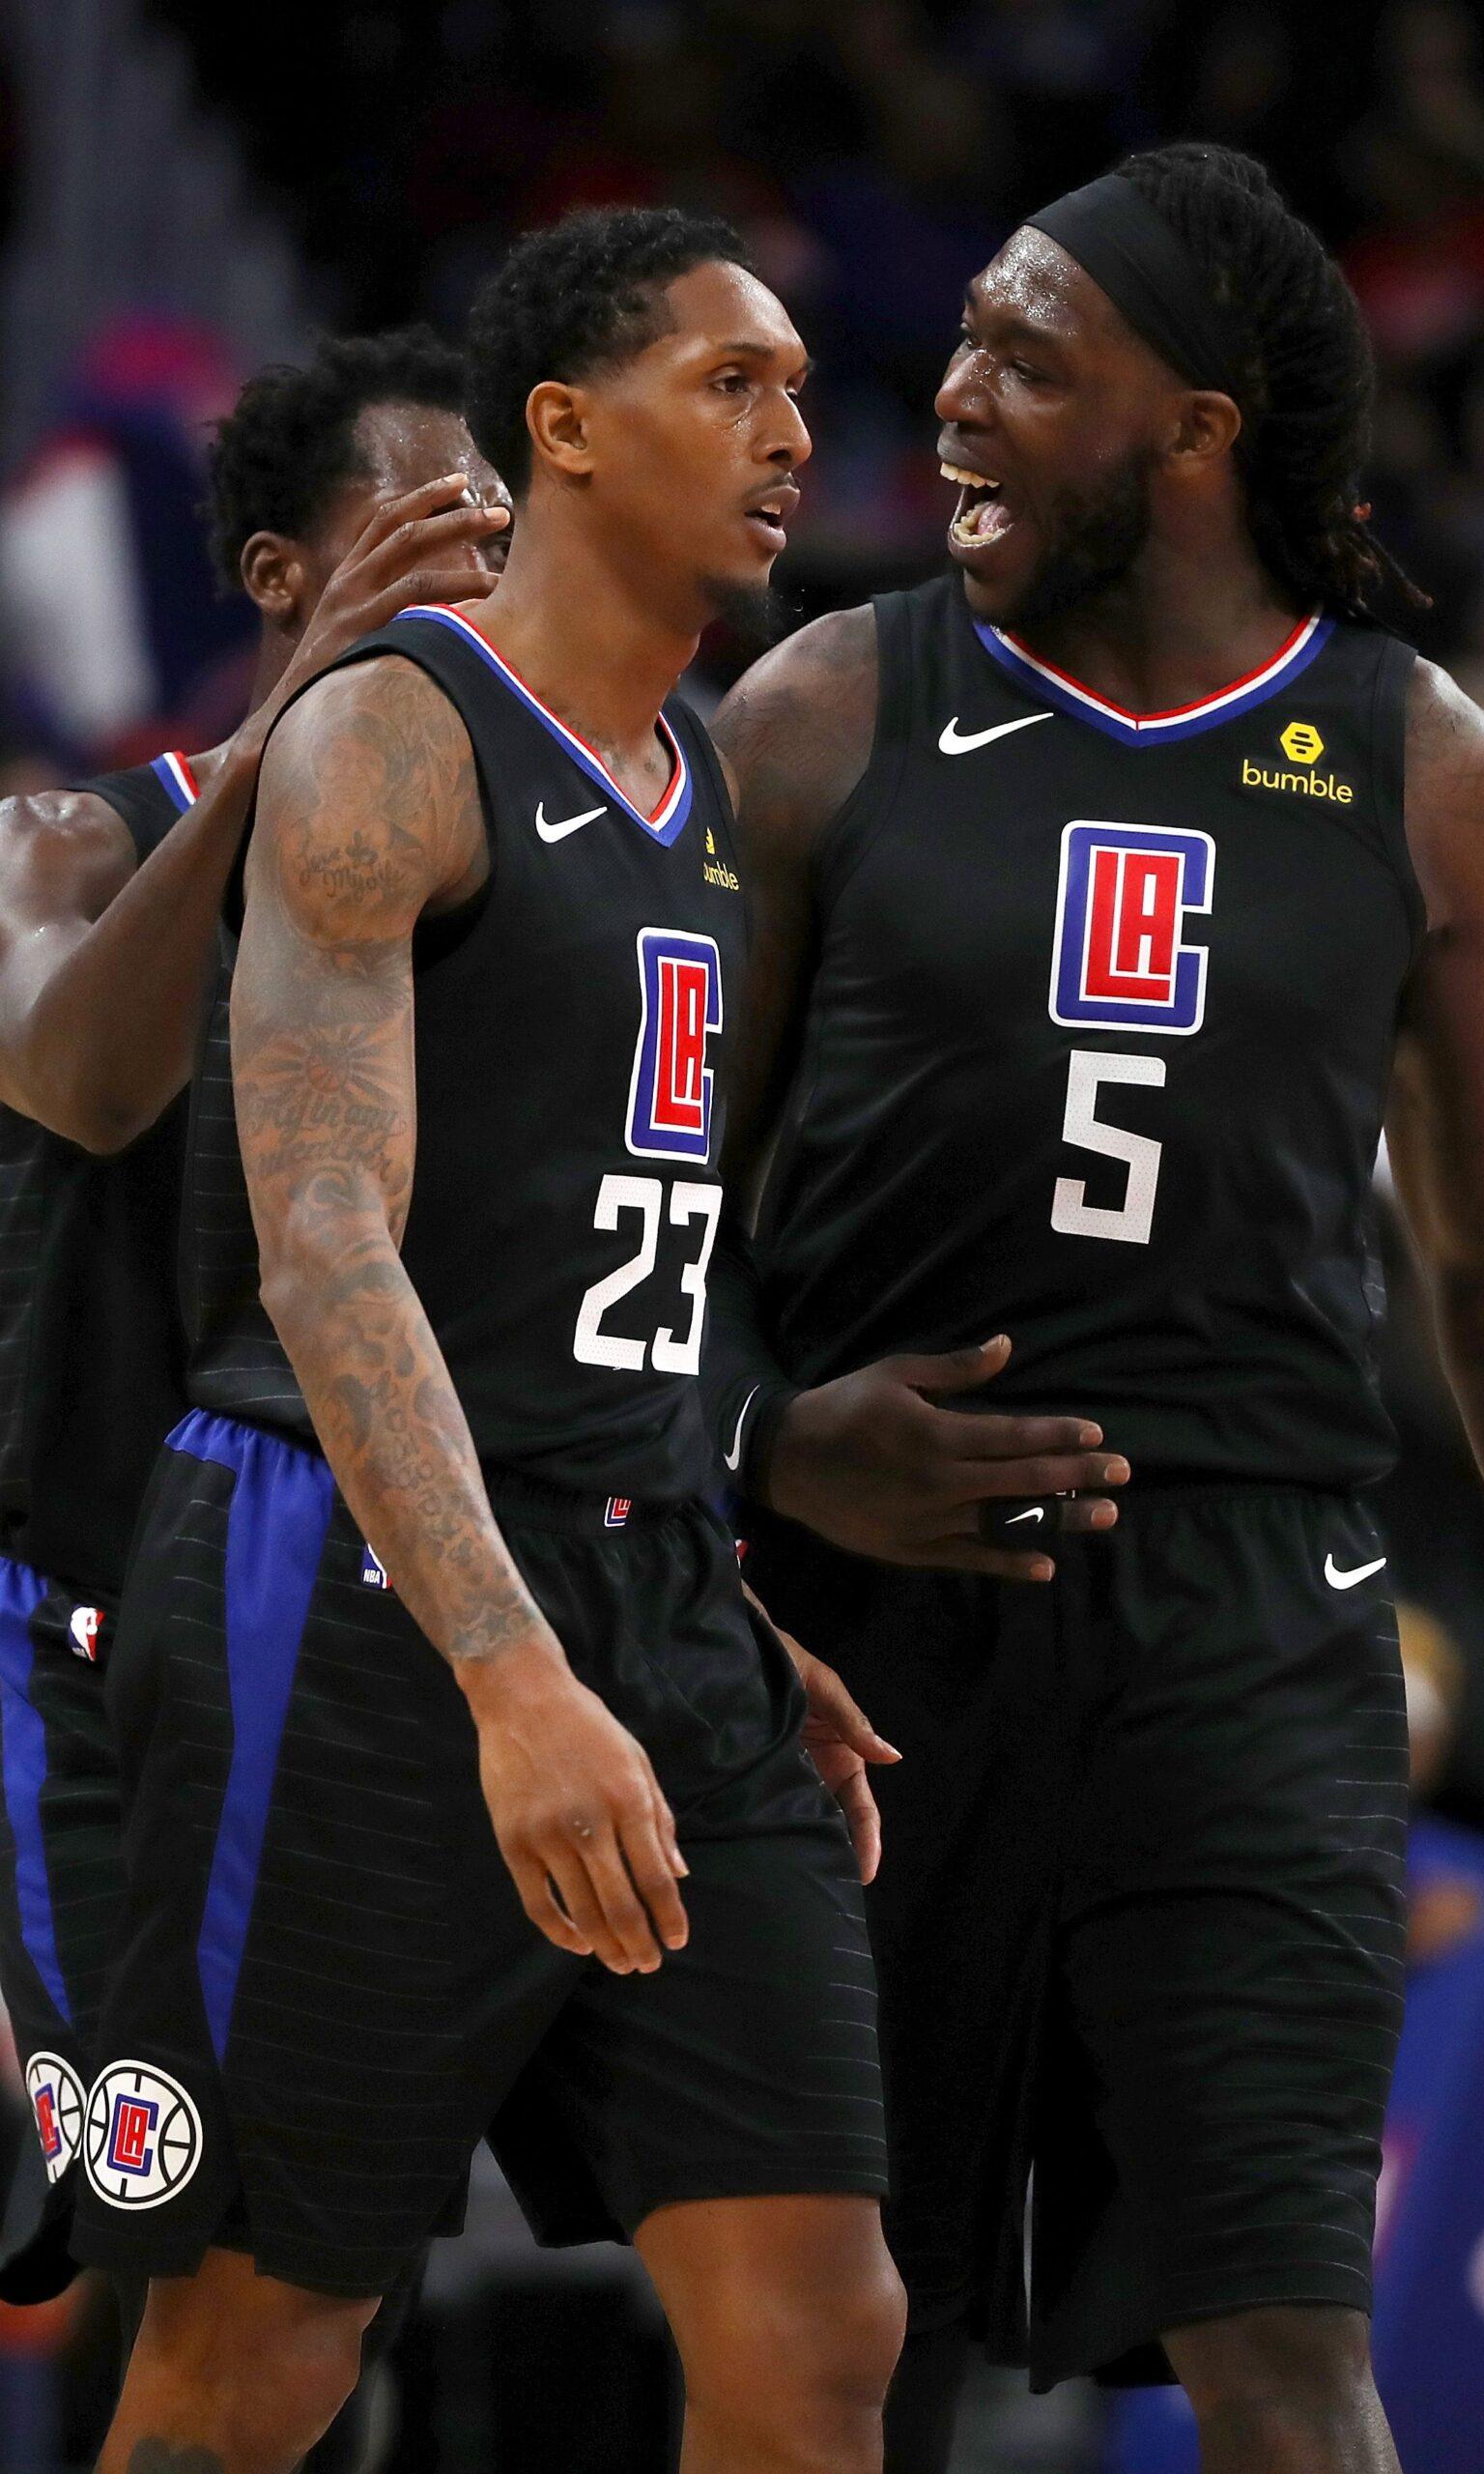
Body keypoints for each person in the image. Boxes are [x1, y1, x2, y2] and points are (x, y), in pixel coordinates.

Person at [702, 142, 1484, 2474]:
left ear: (1195, 428)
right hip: (861, 1633)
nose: (953, 396)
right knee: (832, 2360)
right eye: (965, 340)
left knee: (1287, 2367)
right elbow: (638, 1207)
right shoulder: (826, 706)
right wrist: (774, 1439)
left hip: (1250, 1629)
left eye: (1025, 359)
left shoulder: (1426, 765)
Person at [75, 206, 905, 2474]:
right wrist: (515, 1672)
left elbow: (607, 1252)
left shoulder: (714, 782)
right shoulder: (390, 733)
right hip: (351, 1595)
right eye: (730, 381)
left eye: (799, 389)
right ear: (564, 427)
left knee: (820, 2324)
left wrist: (710, 1585)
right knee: (253, 2353)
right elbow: (327, 1238)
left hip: (646, 1583)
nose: (793, 432)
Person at [0, 329, 511, 2466]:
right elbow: (79, 1080)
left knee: (313, 2267)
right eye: (426, 528)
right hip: (75, 1640)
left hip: (343, 1632)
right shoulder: (67, 834)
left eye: (502, 530)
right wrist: (293, 724)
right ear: (285, 572)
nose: (479, 568)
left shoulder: (498, 874)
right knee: (152, 2232)